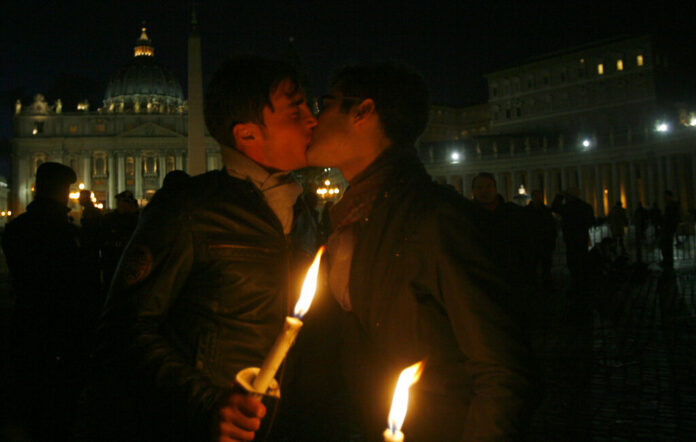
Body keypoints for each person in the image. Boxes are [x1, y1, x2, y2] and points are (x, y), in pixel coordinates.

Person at [79, 56, 319, 441]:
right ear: (246, 135)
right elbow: (123, 332)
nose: (313, 120)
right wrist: (208, 404)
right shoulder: (187, 209)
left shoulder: (305, 214)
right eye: (297, 110)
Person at [306, 63, 536, 440]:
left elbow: (504, 373)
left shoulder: (436, 219)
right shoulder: (357, 216)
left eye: (324, 104)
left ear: (362, 111)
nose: (315, 120)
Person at [2, 162, 93, 441]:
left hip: (26, 321)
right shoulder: (61, 232)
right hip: (61, 328)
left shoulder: (16, 229)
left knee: (31, 398)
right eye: (67, 190)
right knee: (58, 404)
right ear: (61, 191)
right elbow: (79, 279)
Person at [552, 188, 595, 283]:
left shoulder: (567, 207)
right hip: (582, 236)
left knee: (572, 260)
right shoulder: (586, 206)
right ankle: (583, 280)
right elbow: (591, 221)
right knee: (582, 258)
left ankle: (575, 280)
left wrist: (559, 196)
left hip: (570, 237)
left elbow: (554, 207)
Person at [100, 190, 139, 289]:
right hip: (112, 260)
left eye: (127, 203)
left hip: (129, 263)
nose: (125, 206)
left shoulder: (136, 220)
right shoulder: (109, 219)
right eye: (123, 203)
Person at [525, 189, 557, 288]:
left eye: (540, 197)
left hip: (544, 242)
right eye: (537, 196)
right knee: (533, 266)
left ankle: (545, 284)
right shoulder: (529, 211)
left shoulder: (543, 210)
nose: (539, 199)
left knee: (546, 265)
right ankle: (535, 285)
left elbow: (552, 227)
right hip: (533, 243)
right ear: (533, 197)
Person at [660, 190, 680, 270]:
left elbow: (669, 217)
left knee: (666, 245)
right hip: (670, 227)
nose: (664, 198)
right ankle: (668, 260)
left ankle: (667, 261)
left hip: (668, 228)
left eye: (665, 196)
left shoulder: (670, 205)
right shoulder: (672, 205)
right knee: (667, 244)